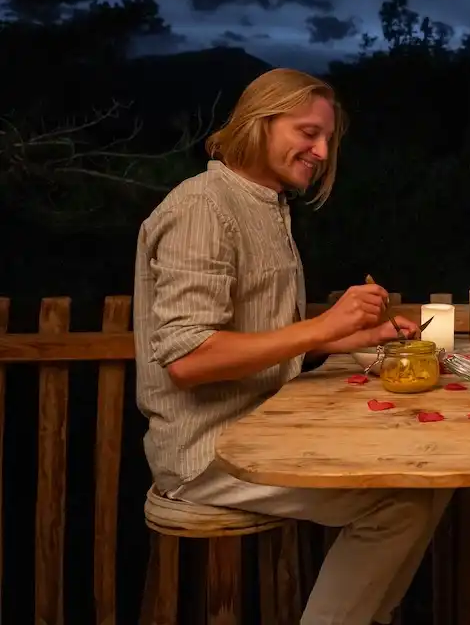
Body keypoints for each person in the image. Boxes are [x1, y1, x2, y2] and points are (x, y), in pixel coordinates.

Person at [134, 68, 450, 625]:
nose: (322, 151)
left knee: (428, 478)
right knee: (399, 500)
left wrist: (351, 338)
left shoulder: (263, 203)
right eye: (308, 132)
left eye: (327, 139)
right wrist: (323, 327)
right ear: (260, 122)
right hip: (209, 455)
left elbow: (259, 343)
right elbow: (188, 360)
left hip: (265, 431)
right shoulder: (202, 208)